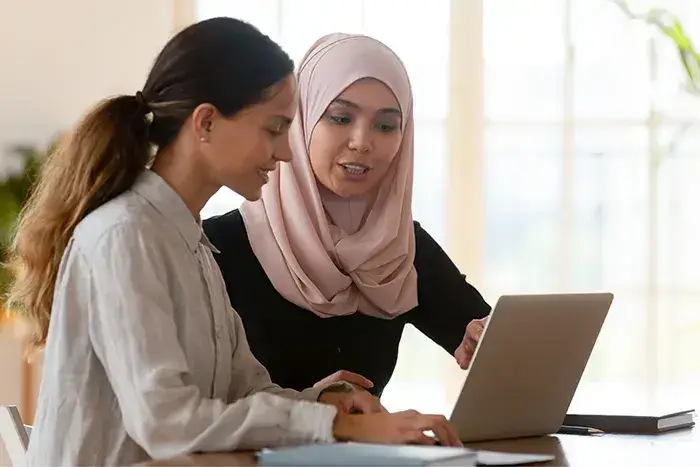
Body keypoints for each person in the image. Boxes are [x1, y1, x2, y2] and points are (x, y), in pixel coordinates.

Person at [6, 19, 461, 466]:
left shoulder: (193, 243)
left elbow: (245, 389)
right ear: (205, 123)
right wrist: (341, 428)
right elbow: (165, 422)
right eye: (273, 129)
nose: (285, 152)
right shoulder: (125, 237)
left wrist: (321, 405)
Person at [203, 33, 492, 398]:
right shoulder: (215, 248)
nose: (362, 141)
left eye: (386, 126)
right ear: (299, 120)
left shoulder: (399, 246)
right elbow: (190, 405)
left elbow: (484, 335)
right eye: (340, 117)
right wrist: (308, 409)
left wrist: (483, 340)